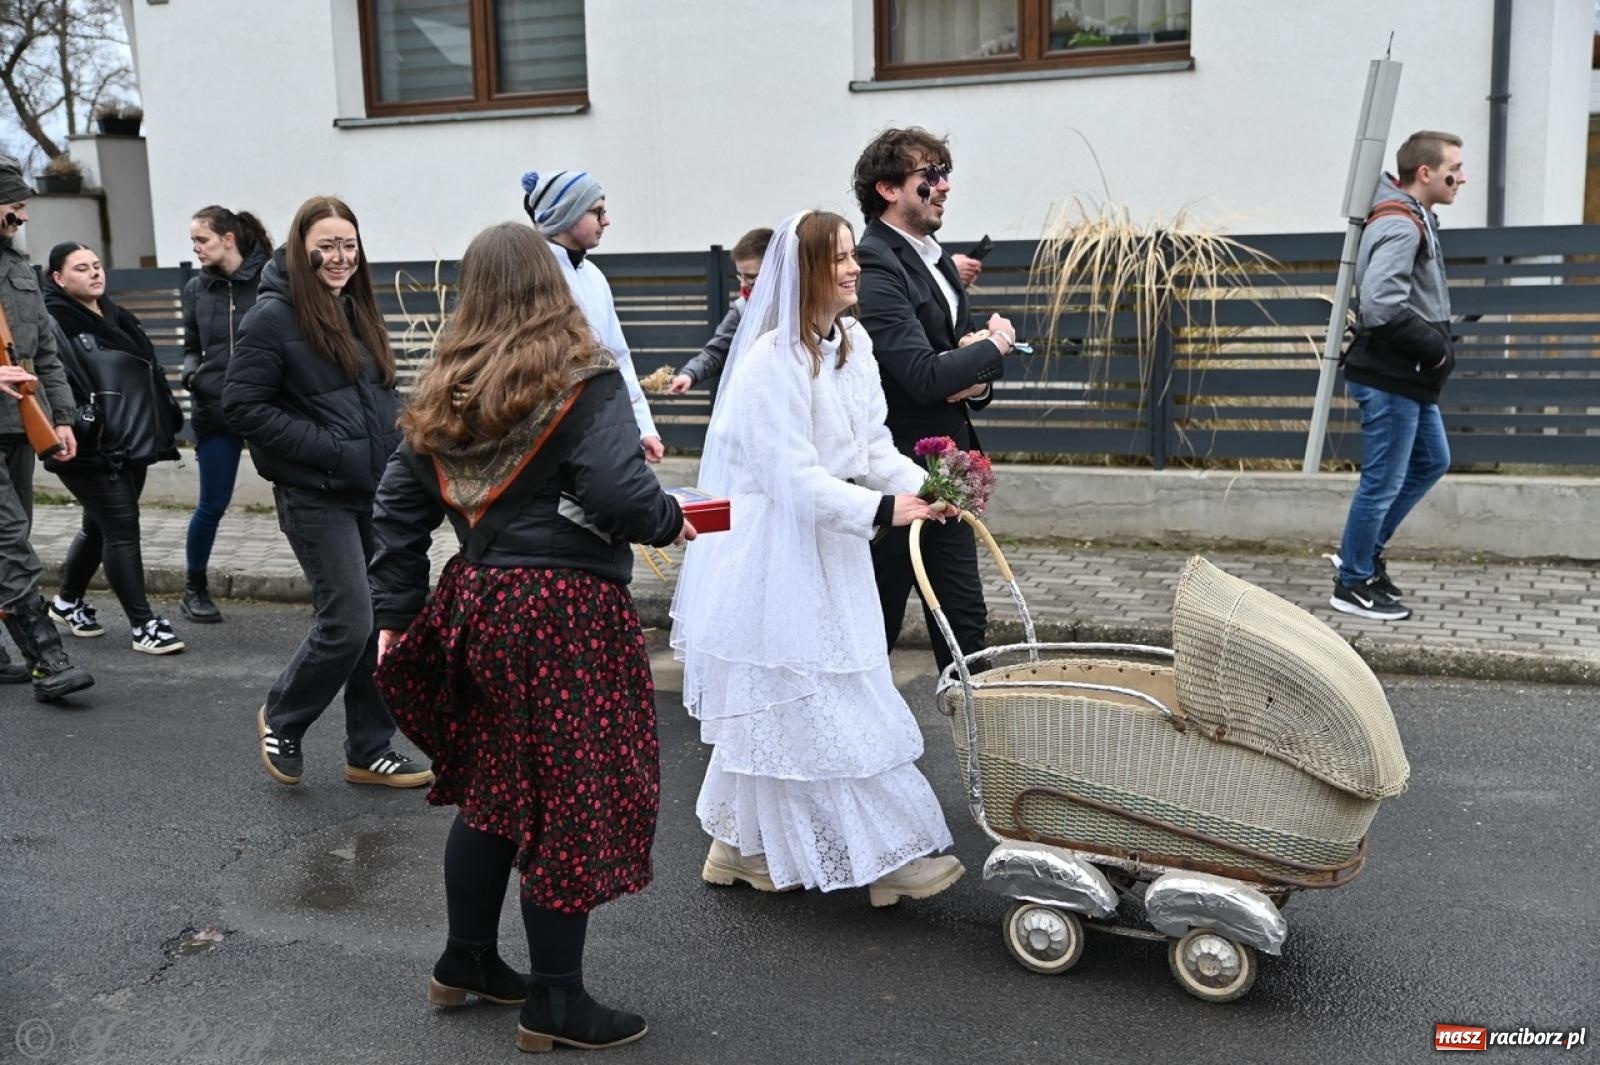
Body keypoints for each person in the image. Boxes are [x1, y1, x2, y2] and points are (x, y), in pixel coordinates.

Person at [370, 223, 692, 1052]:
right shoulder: (582, 381)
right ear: (553, 288)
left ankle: (468, 958)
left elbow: (399, 514)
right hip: (566, 616)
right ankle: (555, 1000)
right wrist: (668, 517)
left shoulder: (443, 388)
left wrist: (396, 618)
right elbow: (621, 492)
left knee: (495, 790)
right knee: (567, 798)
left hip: (476, 602)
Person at [671, 209, 966, 907]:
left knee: (791, 701)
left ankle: (736, 847)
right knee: (819, 698)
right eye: (837, 258)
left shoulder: (853, 344)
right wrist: (881, 511)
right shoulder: (770, 362)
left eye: (851, 256)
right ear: (805, 272)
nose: (854, 267)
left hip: (830, 546)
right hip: (774, 552)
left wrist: (933, 485)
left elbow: (872, 449)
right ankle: (890, 857)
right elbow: (791, 478)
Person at [224, 195, 431, 790]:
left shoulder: (357, 309)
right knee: (348, 618)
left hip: (374, 491)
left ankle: (369, 748)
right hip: (315, 495)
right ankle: (284, 716)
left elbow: (375, 401)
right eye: (327, 246)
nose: (340, 257)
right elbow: (242, 405)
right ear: (300, 248)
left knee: (384, 616)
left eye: (349, 245)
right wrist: (331, 449)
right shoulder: (271, 317)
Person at [852, 126, 1017, 673]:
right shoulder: (875, 263)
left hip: (949, 462)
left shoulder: (938, 260)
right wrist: (995, 345)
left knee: (964, 619)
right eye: (931, 176)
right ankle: (847, 740)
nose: (944, 187)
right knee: (876, 617)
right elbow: (923, 375)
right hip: (898, 465)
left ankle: (982, 745)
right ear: (888, 189)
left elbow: (957, 361)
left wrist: (977, 373)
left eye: (946, 174)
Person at [1332, 131, 1464, 623]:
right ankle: (1351, 582)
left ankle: (1364, 555)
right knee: (1382, 483)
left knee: (1432, 461)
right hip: (1391, 375)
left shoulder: (1415, 218)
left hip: (1406, 377)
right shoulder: (1401, 224)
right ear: (1425, 173)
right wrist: (1434, 350)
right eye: (1455, 166)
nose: (1463, 176)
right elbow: (1382, 304)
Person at [43, 242, 185, 654]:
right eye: (81, 268)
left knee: (98, 526)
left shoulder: (114, 314)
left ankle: (67, 602)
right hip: (89, 443)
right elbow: (59, 380)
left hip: (130, 439)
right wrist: (79, 424)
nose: (94, 273)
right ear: (58, 278)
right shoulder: (55, 321)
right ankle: (144, 626)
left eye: (97, 265)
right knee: (122, 531)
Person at [0, 156, 93, 700]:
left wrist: (61, 417)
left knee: (12, 539)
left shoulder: (17, 268)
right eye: (13, 211)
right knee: (10, 544)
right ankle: (47, 662)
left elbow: (46, 355)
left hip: (19, 428)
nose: (22, 221)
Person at [520, 169, 664, 462]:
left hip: (600, 433)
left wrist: (643, 427)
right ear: (566, 213)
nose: (606, 221)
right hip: (545, 442)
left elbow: (618, 356)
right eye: (597, 212)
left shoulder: (594, 275)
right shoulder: (530, 275)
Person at [179, 205, 273, 624]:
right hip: (215, 408)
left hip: (269, 407)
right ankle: (194, 589)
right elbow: (192, 343)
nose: (196, 248)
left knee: (301, 500)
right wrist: (190, 372)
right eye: (194, 241)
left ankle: (330, 589)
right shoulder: (197, 288)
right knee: (212, 503)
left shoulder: (271, 279)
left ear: (228, 239)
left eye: (202, 240)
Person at [666, 227, 773, 394]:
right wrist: (690, 374)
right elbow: (715, 352)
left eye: (750, 277)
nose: (743, 284)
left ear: (774, 271)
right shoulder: (742, 309)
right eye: (740, 276)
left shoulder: (803, 309)